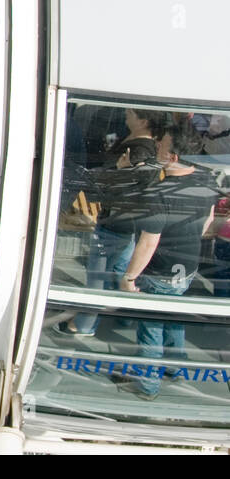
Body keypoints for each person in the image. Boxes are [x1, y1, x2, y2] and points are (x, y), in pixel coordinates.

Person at [114, 135, 223, 400]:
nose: (156, 149)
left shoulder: (161, 194)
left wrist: (129, 278)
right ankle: (175, 366)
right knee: (174, 319)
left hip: (159, 273)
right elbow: (208, 219)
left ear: (173, 158)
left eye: (160, 147)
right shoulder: (206, 179)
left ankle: (147, 385)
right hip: (187, 267)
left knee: (150, 330)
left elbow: (148, 243)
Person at [58, 108, 168, 337]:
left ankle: (85, 324)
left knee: (98, 278)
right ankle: (124, 316)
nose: (126, 115)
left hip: (115, 223)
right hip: (122, 223)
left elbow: (127, 187)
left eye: (131, 113)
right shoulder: (143, 146)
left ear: (143, 120)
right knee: (117, 271)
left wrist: (116, 171)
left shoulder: (139, 150)